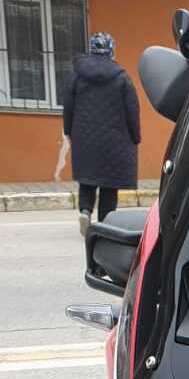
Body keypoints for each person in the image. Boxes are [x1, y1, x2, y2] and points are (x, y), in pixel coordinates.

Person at [61, 32, 141, 234]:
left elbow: (68, 107)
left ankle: (85, 211)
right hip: (114, 140)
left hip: (84, 137)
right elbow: (132, 110)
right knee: (109, 184)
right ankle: (105, 223)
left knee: (87, 179)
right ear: (111, 51)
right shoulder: (122, 78)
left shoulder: (77, 76)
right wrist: (135, 136)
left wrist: (69, 131)